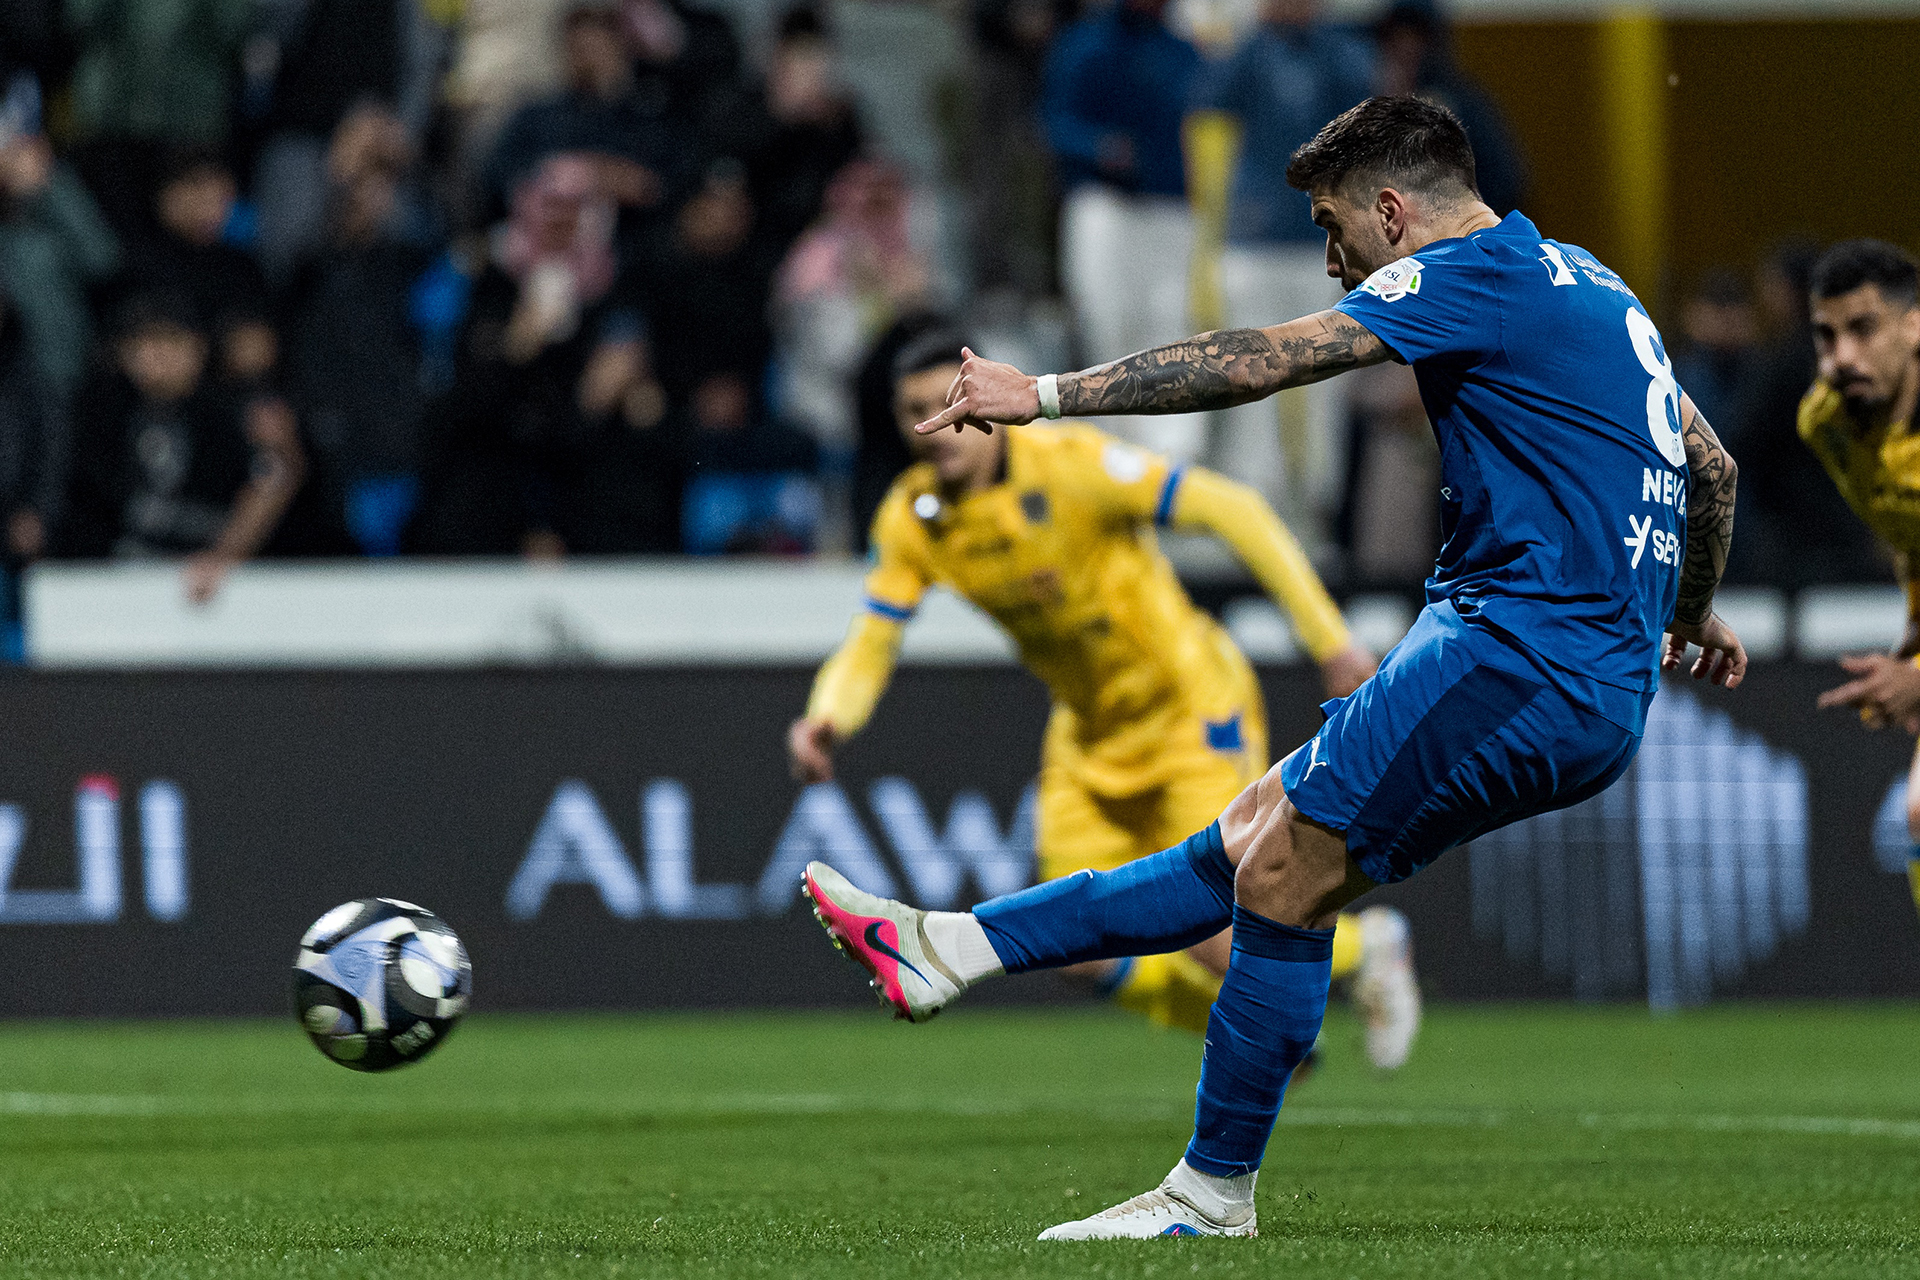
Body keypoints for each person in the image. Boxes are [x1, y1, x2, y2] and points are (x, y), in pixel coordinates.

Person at [800, 96, 1745, 1239]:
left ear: (1394, 211)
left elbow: (1258, 362)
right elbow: (1712, 464)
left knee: (1282, 874)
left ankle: (1209, 1193)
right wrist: (1688, 610)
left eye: (1333, 223)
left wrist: (1041, 395)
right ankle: (950, 945)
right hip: (1582, 675)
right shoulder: (1595, 282)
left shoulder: (1465, 274)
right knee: (1255, 839)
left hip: (1513, 652)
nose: (1332, 255)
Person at [789, 326, 1411, 1053]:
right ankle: (1249, 1041)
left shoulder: (1071, 466)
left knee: (1219, 935)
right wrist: (827, 716)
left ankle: (1373, 950)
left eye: (952, 400)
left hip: (1189, 709)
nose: (939, 426)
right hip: (1089, 734)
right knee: (1077, 953)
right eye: (916, 409)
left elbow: (1233, 509)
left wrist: (1329, 639)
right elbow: (873, 637)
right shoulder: (914, 517)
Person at [1191, 0, 1372, 537]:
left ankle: (1320, 505)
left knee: (1327, 381)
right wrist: (1251, 32)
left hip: (1322, 238)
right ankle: (1253, 501)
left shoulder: (1340, 53)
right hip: (1253, 238)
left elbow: (1364, 110)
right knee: (1250, 374)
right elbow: (1207, 96)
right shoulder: (1251, 52)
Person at [1800, 241, 1920, 922]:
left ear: (1914, 325)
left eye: (1863, 329)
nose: (1841, 356)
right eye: (1826, 334)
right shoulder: (1827, 423)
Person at [53, 294, 306, 604]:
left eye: (172, 340)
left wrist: (223, 555)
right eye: (144, 342)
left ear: (197, 347)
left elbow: (275, 478)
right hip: (117, 585)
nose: (158, 353)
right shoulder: (101, 412)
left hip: (212, 586)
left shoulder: (230, 411)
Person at [1041, 0, 1205, 463]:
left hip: (1170, 207)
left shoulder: (1182, 50)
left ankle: (1173, 461)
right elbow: (1054, 122)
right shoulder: (1085, 43)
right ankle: (1114, 457)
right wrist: (1099, 147)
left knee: (1171, 329)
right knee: (1108, 326)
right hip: (1103, 203)